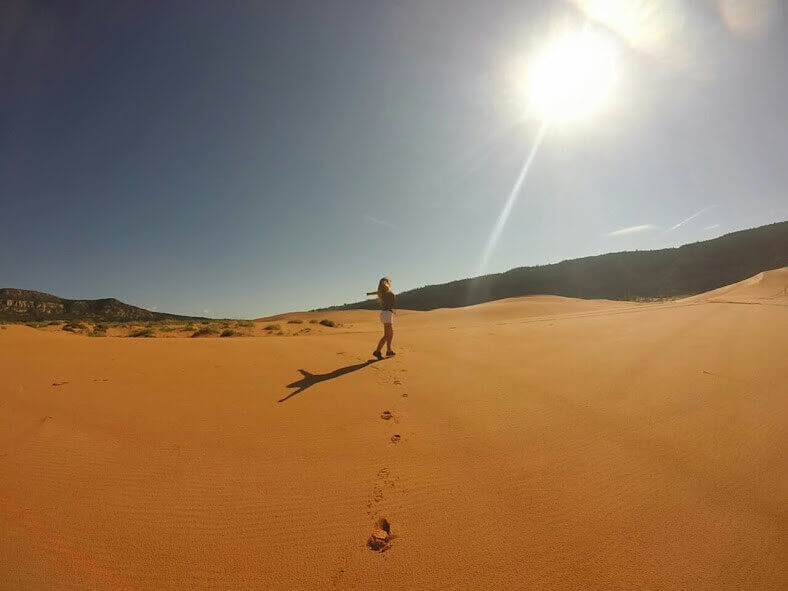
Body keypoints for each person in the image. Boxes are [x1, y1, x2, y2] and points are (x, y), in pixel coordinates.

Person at [366, 277, 395, 360]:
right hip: (386, 314)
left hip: (388, 313)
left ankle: (389, 350)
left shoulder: (384, 291)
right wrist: (385, 283)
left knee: (391, 334)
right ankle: (377, 351)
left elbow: (377, 292)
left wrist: (370, 293)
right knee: (387, 335)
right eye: (383, 282)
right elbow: (380, 290)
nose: (385, 283)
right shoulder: (384, 290)